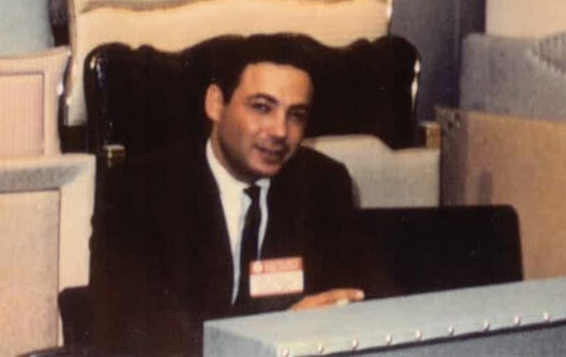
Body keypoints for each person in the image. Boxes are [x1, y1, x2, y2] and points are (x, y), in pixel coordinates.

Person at [89, 34, 369, 356]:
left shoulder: (324, 183)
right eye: (262, 107)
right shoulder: (137, 190)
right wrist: (279, 330)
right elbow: (135, 332)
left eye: (296, 115)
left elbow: (346, 307)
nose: (280, 131)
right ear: (215, 104)